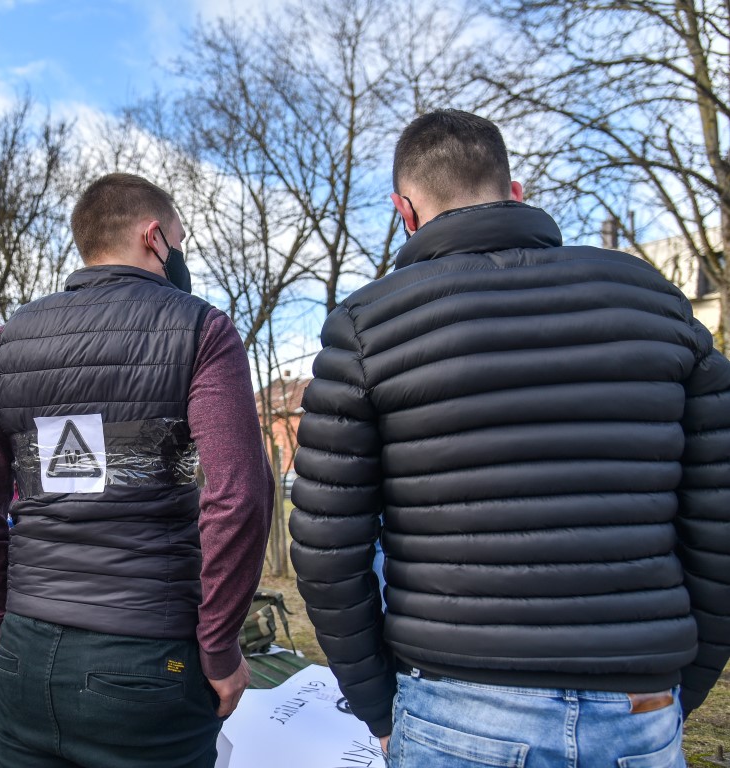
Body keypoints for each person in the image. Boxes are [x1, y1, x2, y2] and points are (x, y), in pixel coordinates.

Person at [290, 110, 730, 767]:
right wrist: (678, 685)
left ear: (404, 210)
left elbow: (327, 549)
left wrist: (376, 703)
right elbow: (718, 522)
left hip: (456, 707)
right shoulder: (656, 303)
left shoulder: (367, 327)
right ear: (516, 192)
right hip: (639, 702)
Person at [0, 172, 273, 768]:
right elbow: (239, 496)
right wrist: (220, 644)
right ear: (153, 236)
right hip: (148, 661)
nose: (180, 254)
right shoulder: (201, 329)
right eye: (179, 240)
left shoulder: (4, 342)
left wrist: (5, 616)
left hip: (26, 656)